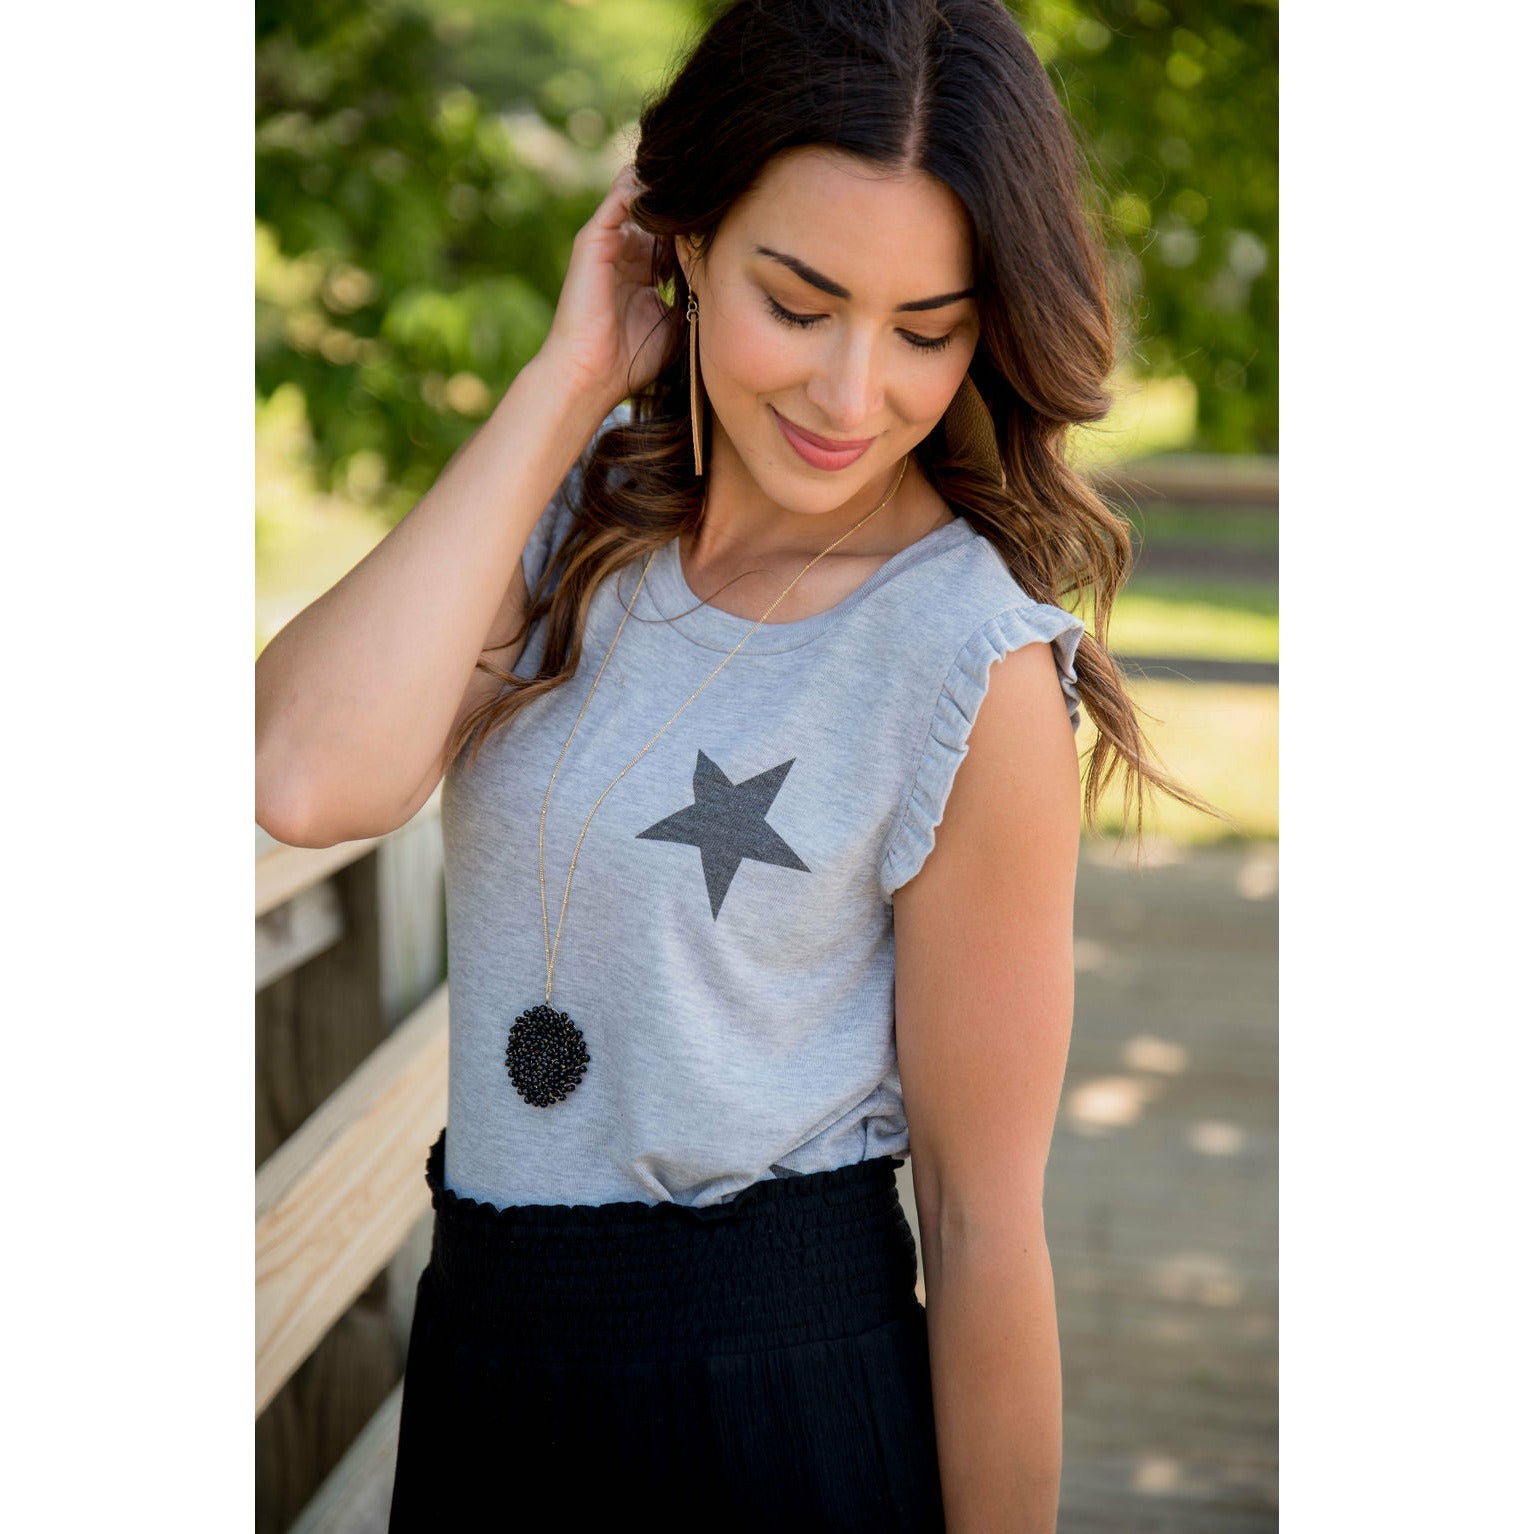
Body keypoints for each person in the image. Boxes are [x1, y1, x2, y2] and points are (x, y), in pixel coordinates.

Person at [255, 1, 1217, 1528]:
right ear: (684, 245)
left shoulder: (964, 657)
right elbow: (305, 775)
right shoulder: (573, 525)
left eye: (925, 330)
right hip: (488, 1358)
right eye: (797, 302)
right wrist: (570, 375)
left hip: (769, 1401)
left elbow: (980, 1223)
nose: (850, 395)